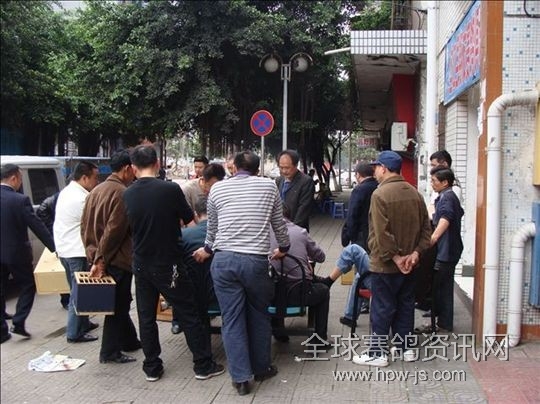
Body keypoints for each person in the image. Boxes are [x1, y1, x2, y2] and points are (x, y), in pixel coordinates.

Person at [193, 150, 290, 396]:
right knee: (259, 315)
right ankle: (261, 368)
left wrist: (207, 249)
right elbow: (278, 224)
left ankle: (241, 378)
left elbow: (212, 229)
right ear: (257, 170)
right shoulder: (269, 186)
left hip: (224, 261)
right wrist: (284, 247)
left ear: (234, 168)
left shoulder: (217, 189)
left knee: (231, 318)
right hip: (255, 262)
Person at [123, 145, 223, 383]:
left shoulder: (127, 193)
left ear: (134, 168)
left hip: (141, 263)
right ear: (157, 164)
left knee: (146, 316)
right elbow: (190, 221)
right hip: (169, 263)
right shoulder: (170, 189)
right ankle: (203, 364)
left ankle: (152, 367)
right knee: (188, 311)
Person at [352, 151, 431, 367]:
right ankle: (405, 349)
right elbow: (426, 230)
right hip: (411, 264)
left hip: (386, 265)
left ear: (384, 168)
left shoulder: (380, 195)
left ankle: (378, 353)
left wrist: (396, 258)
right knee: (405, 305)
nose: (375, 171)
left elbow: (381, 234)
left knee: (382, 307)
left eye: (376, 167)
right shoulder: (415, 193)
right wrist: (415, 254)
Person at [80, 150, 141, 364]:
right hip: (115, 259)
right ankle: (109, 352)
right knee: (117, 306)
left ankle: (129, 341)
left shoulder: (96, 190)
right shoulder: (122, 192)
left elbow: (84, 227)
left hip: (100, 255)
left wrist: (92, 254)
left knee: (120, 303)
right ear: (126, 169)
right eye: (133, 170)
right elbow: (113, 231)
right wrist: (100, 260)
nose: (134, 174)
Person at [1, 164, 56, 342]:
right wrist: (54, 247)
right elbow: (37, 225)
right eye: (19, 179)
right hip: (16, 253)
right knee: (28, 285)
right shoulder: (20, 200)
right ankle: (18, 322)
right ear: (14, 178)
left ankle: (2, 330)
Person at [54, 161, 100, 344]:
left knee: (78, 289)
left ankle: (83, 323)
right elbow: (94, 225)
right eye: (95, 178)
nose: (97, 182)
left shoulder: (66, 192)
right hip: (76, 251)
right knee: (78, 292)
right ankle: (74, 332)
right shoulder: (81, 199)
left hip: (64, 249)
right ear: (84, 178)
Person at [269, 205, 329, 344]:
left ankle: (278, 331)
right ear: (290, 216)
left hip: (271, 296)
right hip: (299, 294)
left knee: (274, 279)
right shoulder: (301, 232)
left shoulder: (263, 233)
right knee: (323, 291)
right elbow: (321, 257)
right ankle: (319, 339)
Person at [427, 166, 464, 332]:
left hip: (446, 251)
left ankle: (442, 322)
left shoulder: (447, 197)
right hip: (450, 249)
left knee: (441, 288)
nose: (432, 183)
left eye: (434, 180)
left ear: (445, 182)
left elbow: (446, 219)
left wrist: (433, 238)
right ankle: (444, 322)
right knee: (445, 287)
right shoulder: (447, 196)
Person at [319, 244, 372, 328]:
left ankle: (328, 281)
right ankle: (350, 317)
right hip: (384, 275)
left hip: (384, 279)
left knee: (353, 250)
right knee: (359, 277)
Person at [36, 191, 70, 310]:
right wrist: (54, 232)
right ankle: (66, 299)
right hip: (62, 238)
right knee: (65, 270)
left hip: (62, 238)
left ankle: (67, 299)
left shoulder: (61, 196)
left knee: (66, 269)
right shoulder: (63, 197)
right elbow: (42, 211)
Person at [276, 150, 315, 231]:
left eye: (287, 168)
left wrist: (293, 230)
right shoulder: (279, 180)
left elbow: (304, 209)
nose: (284, 171)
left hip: (296, 229)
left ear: (296, 165)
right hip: (279, 229)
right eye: (281, 167)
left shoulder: (306, 181)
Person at [341, 163, 378, 249]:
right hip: (376, 232)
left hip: (361, 234)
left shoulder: (359, 190)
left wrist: (349, 235)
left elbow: (352, 214)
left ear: (358, 174)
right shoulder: (378, 186)